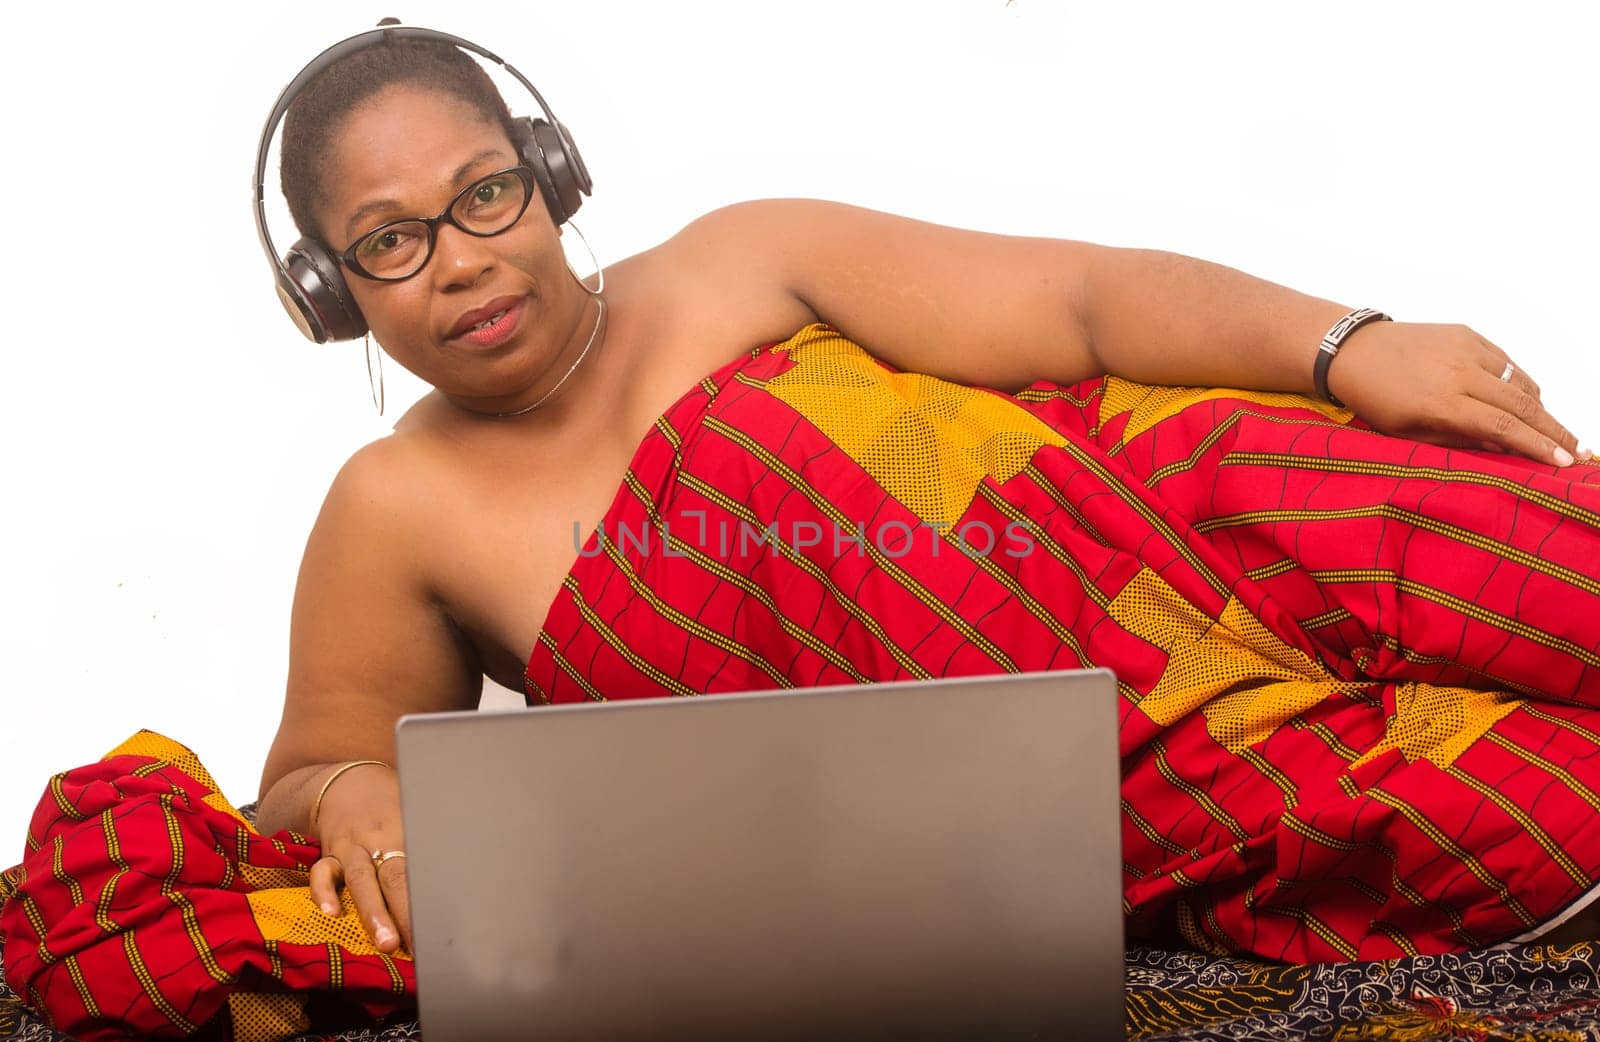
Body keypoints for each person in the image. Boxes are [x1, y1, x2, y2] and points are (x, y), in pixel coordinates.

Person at [250, 29, 1600, 969]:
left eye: (486, 194)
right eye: (390, 240)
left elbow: (1079, 301)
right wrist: (355, 794)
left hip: (1208, 517)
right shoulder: (394, 506)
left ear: (546, 178)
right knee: (1535, 819)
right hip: (1125, 792)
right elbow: (307, 772)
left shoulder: (744, 258)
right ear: (332, 291)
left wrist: (1348, 342)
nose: (462, 261)